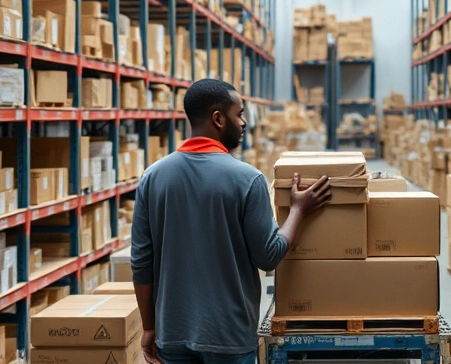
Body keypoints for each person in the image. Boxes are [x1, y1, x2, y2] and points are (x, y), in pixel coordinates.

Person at [131, 78, 332, 364]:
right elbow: (268, 256)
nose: (244, 122)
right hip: (229, 336)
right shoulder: (247, 180)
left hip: (172, 334)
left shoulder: (152, 178)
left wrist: (149, 327)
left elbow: (141, 262)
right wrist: (299, 210)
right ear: (218, 119)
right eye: (239, 114)